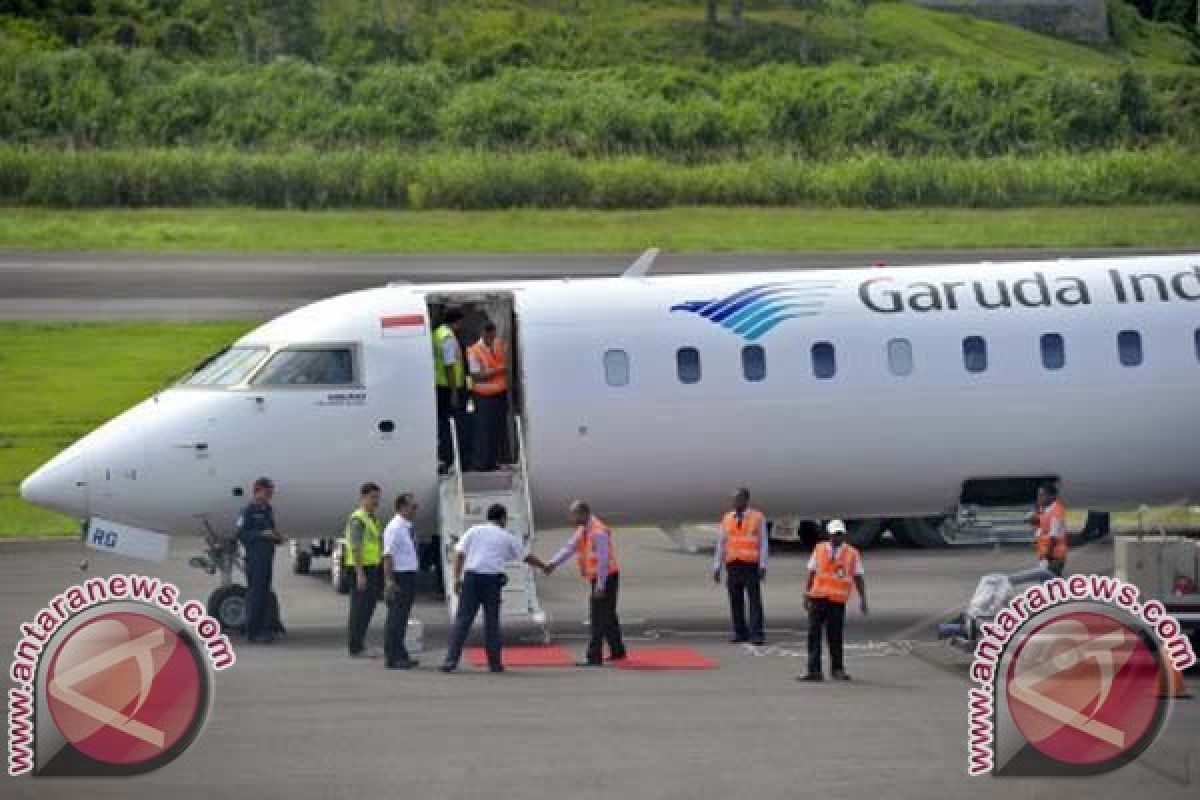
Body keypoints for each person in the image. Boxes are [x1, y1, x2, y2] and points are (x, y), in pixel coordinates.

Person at [441, 504, 546, 673]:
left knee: (463, 621)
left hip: (471, 579)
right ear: (503, 518)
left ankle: (450, 661)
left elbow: (459, 554)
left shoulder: (474, 530)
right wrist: (544, 566)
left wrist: (456, 578)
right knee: (492, 624)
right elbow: (526, 557)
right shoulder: (507, 537)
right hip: (491, 582)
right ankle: (494, 663)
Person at [543, 501, 627, 666]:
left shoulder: (598, 531)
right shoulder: (584, 530)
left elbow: (603, 561)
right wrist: (552, 564)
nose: (571, 518)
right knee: (608, 615)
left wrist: (600, 586)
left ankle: (594, 657)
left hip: (606, 577)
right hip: (600, 577)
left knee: (597, 618)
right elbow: (569, 548)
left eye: (573, 514)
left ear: (583, 514)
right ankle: (618, 651)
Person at [800, 519, 867, 682]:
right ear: (828, 534)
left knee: (835, 636)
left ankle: (837, 669)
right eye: (834, 534)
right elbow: (811, 572)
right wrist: (807, 593)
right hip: (818, 598)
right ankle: (814, 671)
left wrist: (863, 598)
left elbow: (858, 577)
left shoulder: (852, 553)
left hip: (836, 601)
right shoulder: (819, 549)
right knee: (813, 635)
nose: (837, 537)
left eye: (840, 534)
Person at [713, 487, 768, 645]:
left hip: (750, 565)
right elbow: (721, 543)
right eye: (733, 499)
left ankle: (757, 633)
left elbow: (763, 542)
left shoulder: (757, 517)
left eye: (737, 499)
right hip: (733, 565)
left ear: (745, 500)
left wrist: (763, 565)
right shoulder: (728, 517)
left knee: (754, 601)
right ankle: (740, 631)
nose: (734, 502)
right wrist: (717, 565)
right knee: (735, 600)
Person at [236, 476, 285, 644]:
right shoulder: (248, 511)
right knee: (256, 594)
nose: (270, 496)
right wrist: (261, 535)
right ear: (257, 491)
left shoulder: (267, 510)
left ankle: (266, 627)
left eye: (271, 493)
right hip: (254, 558)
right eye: (267, 492)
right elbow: (241, 534)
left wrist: (277, 538)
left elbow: (269, 529)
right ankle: (253, 631)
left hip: (266, 557)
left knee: (265, 592)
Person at [345, 482, 385, 658]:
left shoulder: (372, 519)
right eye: (372, 497)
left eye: (377, 498)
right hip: (360, 569)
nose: (376, 501)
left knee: (368, 607)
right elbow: (355, 547)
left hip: (372, 567)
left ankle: (360, 644)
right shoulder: (358, 519)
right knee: (359, 609)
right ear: (363, 498)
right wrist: (360, 574)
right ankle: (355, 647)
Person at [382, 493, 420, 670]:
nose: (415, 510)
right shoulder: (395, 527)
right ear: (402, 507)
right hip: (400, 576)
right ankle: (393, 657)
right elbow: (387, 555)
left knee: (402, 618)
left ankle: (401, 653)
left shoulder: (406, 526)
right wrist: (389, 580)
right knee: (396, 619)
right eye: (413, 507)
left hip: (409, 575)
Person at [467, 320, 509, 471]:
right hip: (484, 396)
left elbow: (504, 360)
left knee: (496, 430)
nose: (492, 339)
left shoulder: (498, 344)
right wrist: (498, 370)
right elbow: (476, 376)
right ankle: (480, 464)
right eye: (489, 336)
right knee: (483, 431)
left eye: (493, 335)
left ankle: (492, 462)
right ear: (483, 334)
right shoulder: (474, 351)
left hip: (500, 394)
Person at [433, 308, 467, 471]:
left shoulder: (437, 333)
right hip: (448, 387)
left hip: (440, 386)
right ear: (456, 321)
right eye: (461, 322)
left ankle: (445, 458)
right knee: (450, 425)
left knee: (443, 423)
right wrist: (454, 391)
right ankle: (449, 459)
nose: (462, 325)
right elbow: (449, 365)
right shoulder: (447, 337)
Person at [1032, 484, 1068, 577]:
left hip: (1054, 555)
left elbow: (1054, 537)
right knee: (1051, 581)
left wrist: (1046, 557)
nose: (1039, 498)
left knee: (1049, 580)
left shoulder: (1056, 511)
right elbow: (1040, 527)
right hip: (1045, 552)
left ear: (1052, 497)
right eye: (1038, 495)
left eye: (1042, 495)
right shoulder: (1043, 508)